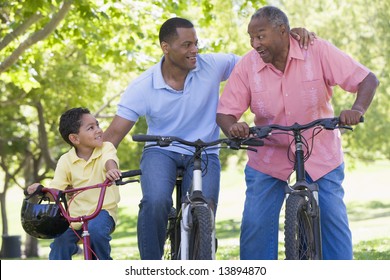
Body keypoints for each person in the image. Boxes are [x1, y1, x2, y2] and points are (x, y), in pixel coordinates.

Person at [103, 17, 315, 260]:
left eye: (196, 43)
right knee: (156, 201)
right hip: (161, 150)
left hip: (204, 150)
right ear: (166, 47)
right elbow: (112, 137)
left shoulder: (212, 65)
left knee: (207, 206)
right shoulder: (143, 86)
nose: (194, 50)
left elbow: (256, 58)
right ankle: (151, 265)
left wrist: (287, 37)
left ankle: (201, 252)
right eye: (186, 45)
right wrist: (101, 164)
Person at [216, 6, 379, 260]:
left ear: (283, 31)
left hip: (319, 149)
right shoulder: (248, 65)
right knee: (255, 225)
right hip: (269, 152)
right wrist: (233, 128)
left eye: (260, 36)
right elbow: (225, 112)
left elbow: (368, 79)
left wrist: (357, 109)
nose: (254, 43)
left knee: (332, 220)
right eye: (251, 38)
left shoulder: (316, 50)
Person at [27, 107, 122, 260]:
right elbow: (56, 191)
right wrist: (41, 189)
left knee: (96, 232)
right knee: (60, 242)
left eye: (97, 125)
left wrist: (112, 171)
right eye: (91, 128)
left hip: (103, 212)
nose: (98, 130)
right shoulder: (66, 160)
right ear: (75, 139)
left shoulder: (106, 148)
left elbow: (109, 161)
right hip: (74, 217)